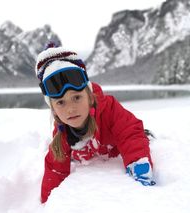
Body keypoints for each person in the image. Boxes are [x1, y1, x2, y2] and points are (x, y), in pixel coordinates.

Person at [35, 42, 156, 203]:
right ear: (54, 110)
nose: (70, 109)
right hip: (84, 156)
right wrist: (47, 203)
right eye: (61, 103)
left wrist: (138, 164)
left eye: (76, 98)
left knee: (139, 135)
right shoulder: (61, 133)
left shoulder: (109, 108)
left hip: (112, 150)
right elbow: (54, 170)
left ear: (90, 97)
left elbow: (129, 131)